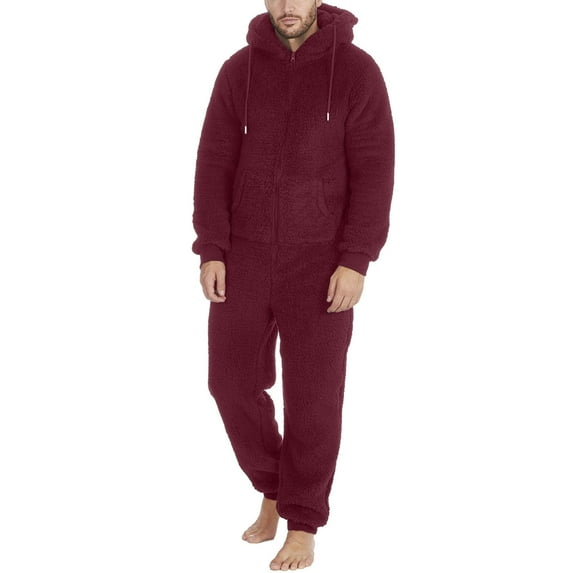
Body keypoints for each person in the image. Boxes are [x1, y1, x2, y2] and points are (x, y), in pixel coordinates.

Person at [192, 1, 394, 569]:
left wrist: (356, 258)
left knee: (313, 398)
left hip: (322, 262)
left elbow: (376, 168)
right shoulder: (238, 70)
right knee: (229, 383)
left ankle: (302, 521)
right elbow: (213, 160)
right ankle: (274, 486)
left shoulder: (356, 71)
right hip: (244, 257)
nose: (287, 6)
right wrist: (212, 248)